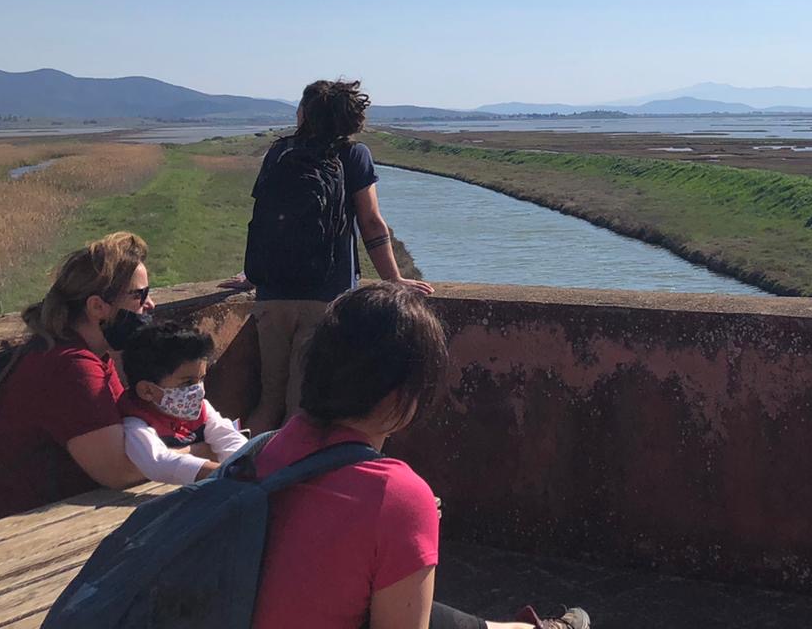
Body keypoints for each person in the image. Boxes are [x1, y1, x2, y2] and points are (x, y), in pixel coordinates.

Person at [252, 284, 588, 629]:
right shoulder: (395, 495)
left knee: (431, 612)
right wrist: (410, 513)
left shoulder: (266, 449)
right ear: (402, 392)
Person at [245, 78, 434, 434]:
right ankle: (287, 484)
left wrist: (253, 274)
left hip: (272, 296)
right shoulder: (353, 155)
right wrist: (394, 280)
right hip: (326, 296)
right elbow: (372, 224)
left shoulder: (279, 152)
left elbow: (263, 219)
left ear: (304, 114)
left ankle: (246, 476)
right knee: (301, 407)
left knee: (268, 401)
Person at [0, 232, 155, 527]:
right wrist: (200, 453)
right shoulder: (71, 367)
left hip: (43, 518)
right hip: (15, 534)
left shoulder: (87, 353)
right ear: (97, 307)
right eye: (139, 296)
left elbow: (129, 432)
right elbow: (119, 470)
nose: (150, 305)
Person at [118, 320, 248, 485]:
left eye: (201, 379)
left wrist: (248, 464)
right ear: (148, 391)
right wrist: (226, 473)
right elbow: (159, 462)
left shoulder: (201, 410)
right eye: (187, 383)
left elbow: (228, 438)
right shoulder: (134, 422)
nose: (199, 390)